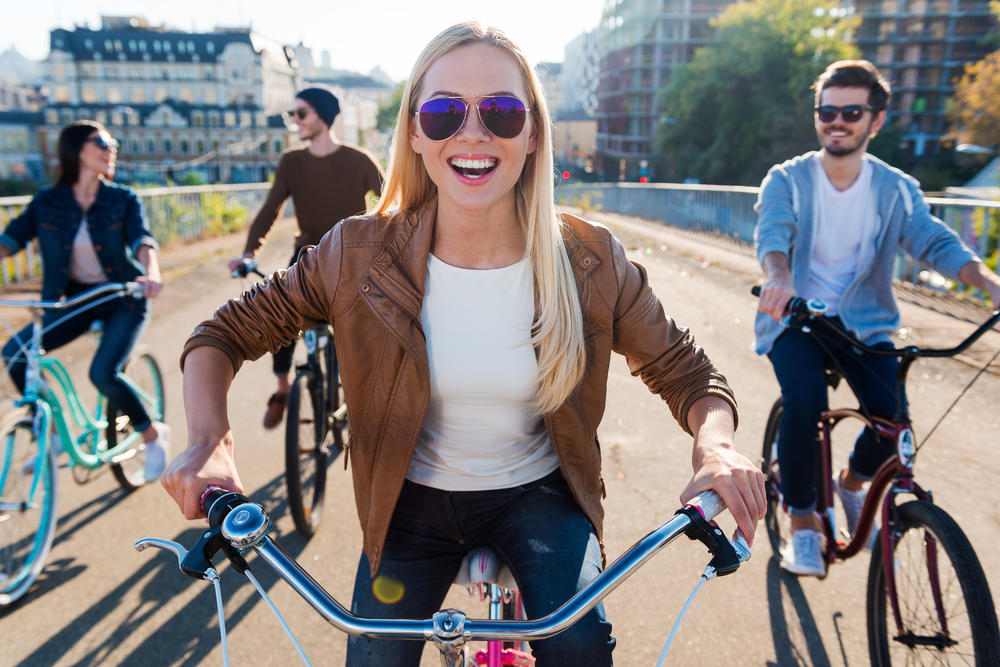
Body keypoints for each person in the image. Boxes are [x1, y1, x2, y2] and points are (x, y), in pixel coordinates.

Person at [164, 22, 765, 665]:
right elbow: (221, 334)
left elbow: (688, 374)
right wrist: (209, 444)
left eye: (503, 112)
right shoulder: (355, 253)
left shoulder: (590, 258)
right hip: (409, 502)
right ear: (416, 133)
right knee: (375, 658)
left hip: (540, 493)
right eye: (446, 111)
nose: (473, 133)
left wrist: (717, 448)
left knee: (581, 645)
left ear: (532, 133)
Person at [754, 59, 1000, 577]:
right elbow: (772, 236)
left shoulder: (895, 189)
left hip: (866, 323)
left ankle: (850, 482)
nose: (836, 121)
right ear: (817, 115)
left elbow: (934, 241)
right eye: (827, 110)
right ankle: (802, 522)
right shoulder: (788, 180)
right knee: (805, 405)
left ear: (876, 120)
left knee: (892, 425)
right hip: (798, 318)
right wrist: (779, 278)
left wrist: (990, 286)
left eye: (851, 111)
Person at [0, 120, 170, 480]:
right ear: (76, 149)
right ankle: (55, 436)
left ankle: (153, 435)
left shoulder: (122, 198)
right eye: (102, 142)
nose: (112, 149)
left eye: (113, 144)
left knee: (102, 373)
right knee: (15, 355)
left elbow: (142, 239)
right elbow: (10, 239)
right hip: (74, 301)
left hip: (123, 297)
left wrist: (151, 273)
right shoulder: (47, 201)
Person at [228, 86, 385, 429]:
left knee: (361, 335)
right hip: (305, 257)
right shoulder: (291, 162)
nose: (294, 120)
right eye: (293, 114)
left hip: (351, 261)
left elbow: (391, 205)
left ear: (323, 117)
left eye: (301, 113)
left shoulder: (359, 161)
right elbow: (270, 209)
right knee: (282, 316)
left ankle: (362, 401)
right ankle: (283, 388)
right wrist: (249, 253)